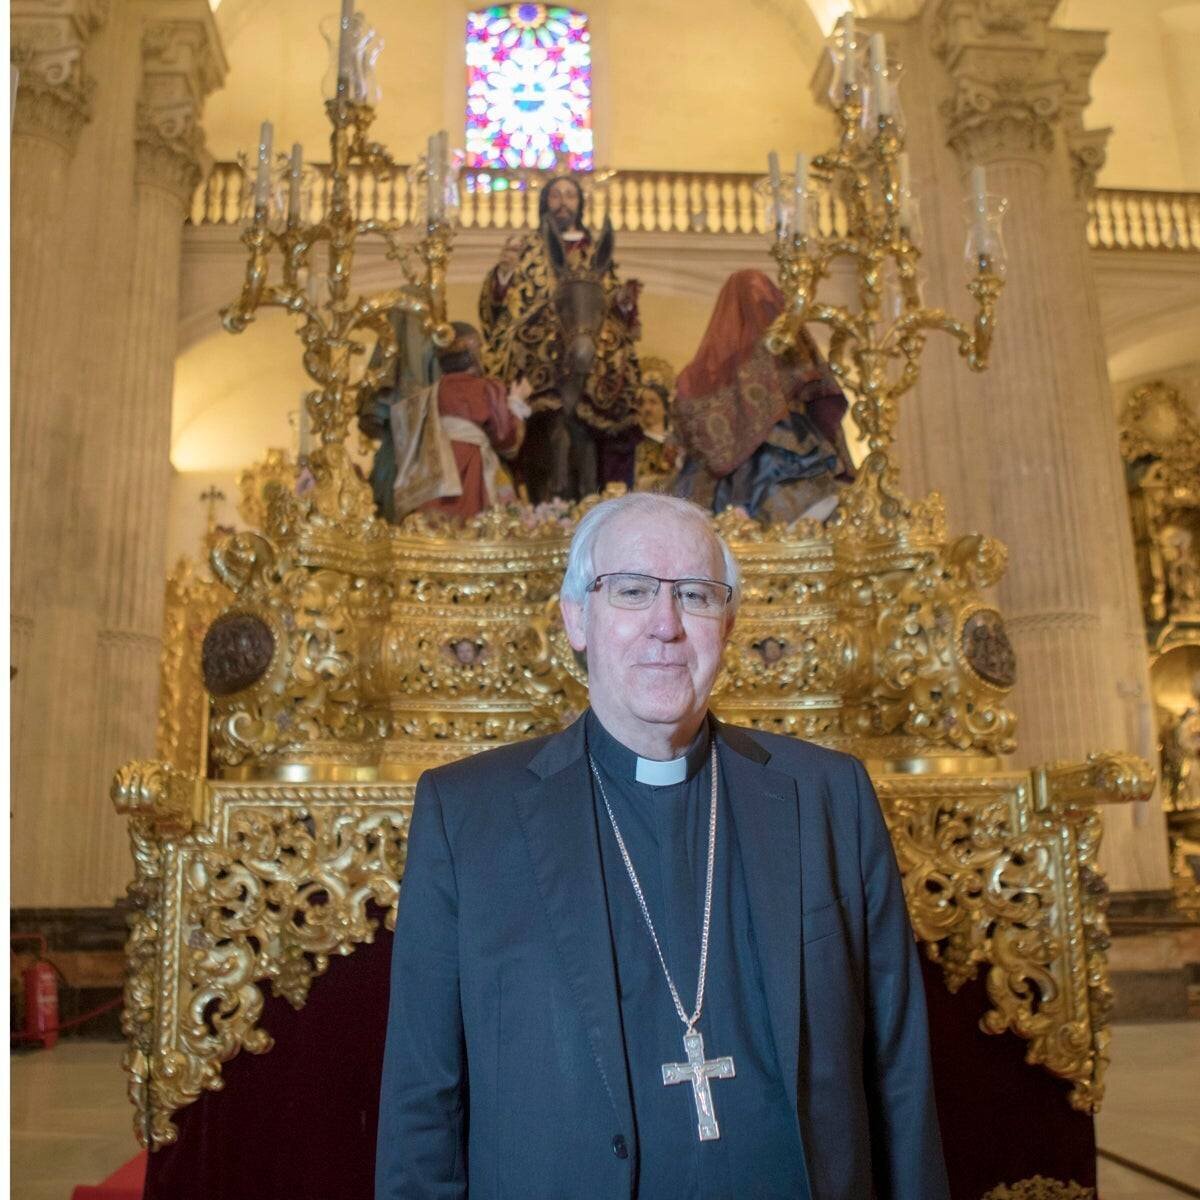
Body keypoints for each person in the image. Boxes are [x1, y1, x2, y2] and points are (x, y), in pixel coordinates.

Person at [376, 492, 949, 1200]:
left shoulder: (829, 797)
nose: (666, 625)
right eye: (633, 591)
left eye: (697, 596)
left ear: (729, 623)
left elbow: (899, 1072)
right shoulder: (467, 814)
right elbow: (422, 1099)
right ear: (576, 619)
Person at [479, 175, 643, 496]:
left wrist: (623, 304)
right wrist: (504, 274)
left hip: (589, 351)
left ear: (580, 203)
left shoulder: (593, 249)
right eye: (556, 195)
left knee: (614, 359)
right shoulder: (528, 247)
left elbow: (608, 304)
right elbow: (499, 308)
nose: (563, 202)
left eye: (570, 195)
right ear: (545, 202)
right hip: (539, 348)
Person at [671, 269, 855, 524]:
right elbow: (820, 396)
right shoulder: (787, 353)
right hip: (788, 460)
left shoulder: (698, 378)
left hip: (784, 460)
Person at [387, 321, 530, 523]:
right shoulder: (488, 388)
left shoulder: (429, 394)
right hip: (474, 465)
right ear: (473, 354)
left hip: (437, 470)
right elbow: (506, 439)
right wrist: (516, 403)